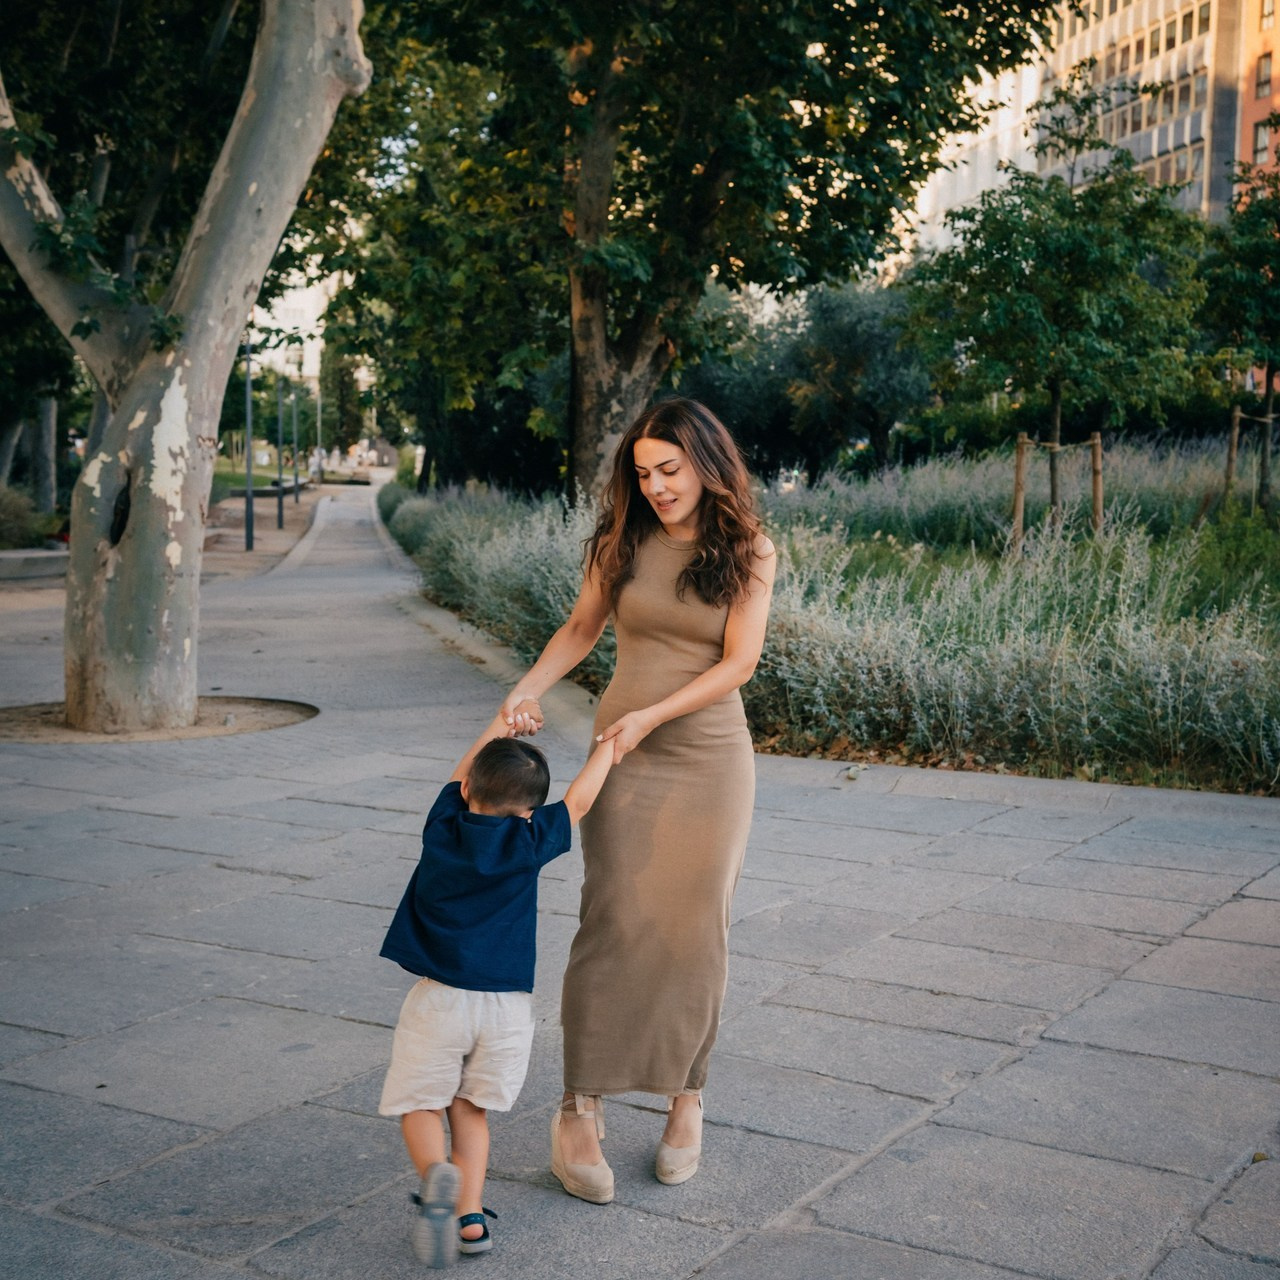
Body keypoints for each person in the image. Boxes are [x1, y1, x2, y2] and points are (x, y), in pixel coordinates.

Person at [499, 397, 776, 1204]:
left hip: (709, 756)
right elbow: (582, 627)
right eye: (643, 472)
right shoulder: (624, 541)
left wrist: (651, 715)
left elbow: (738, 664)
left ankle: (687, 1100)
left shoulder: (751, 549)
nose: (654, 486)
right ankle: (577, 1108)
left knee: (698, 927)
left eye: (669, 470)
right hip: (622, 755)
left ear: (706, 464)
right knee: (612, 917)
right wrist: (526, 689)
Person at [378, 713, 614, 1266]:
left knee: (421, 1102)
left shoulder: (443, 828)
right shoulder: (530, 839)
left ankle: (437, 1176)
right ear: (530, 811)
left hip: (440, 1000)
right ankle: (471, 1219)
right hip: (507, 1010)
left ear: (464, 793)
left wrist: (500, 722)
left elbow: (465, 773)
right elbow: (578, 803)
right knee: (471, 1110)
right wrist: (610, 749)